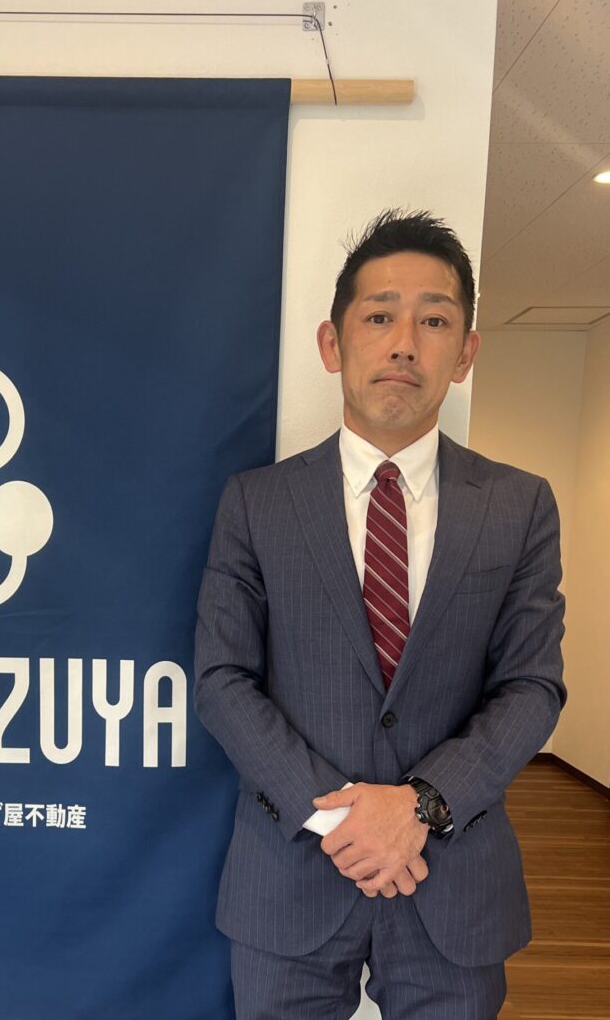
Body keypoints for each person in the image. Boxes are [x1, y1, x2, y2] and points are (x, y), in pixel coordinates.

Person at [194, 209, 566, 1019]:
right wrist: (339, 816)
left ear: (464, 353)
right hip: (291, 872)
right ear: (332, 343)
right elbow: (221, 679)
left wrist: (418, 805)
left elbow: (531, 685)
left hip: (452, 876)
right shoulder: (256, 503)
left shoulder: (518, 506)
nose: (403, 344)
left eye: (433, 321)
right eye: (378, 317)